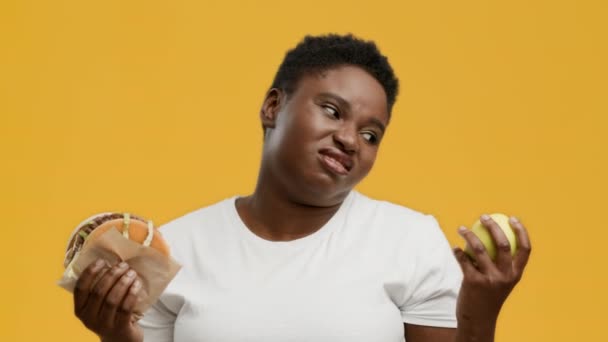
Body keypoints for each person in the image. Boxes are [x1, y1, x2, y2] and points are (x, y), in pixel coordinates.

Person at [72, 34, 532, 342]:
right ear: (274, 106)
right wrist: (118, 339)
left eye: (371, 135)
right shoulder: (177, 250)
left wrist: (482, 310)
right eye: (332, 110)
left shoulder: (409, 241)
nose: (351, 139)